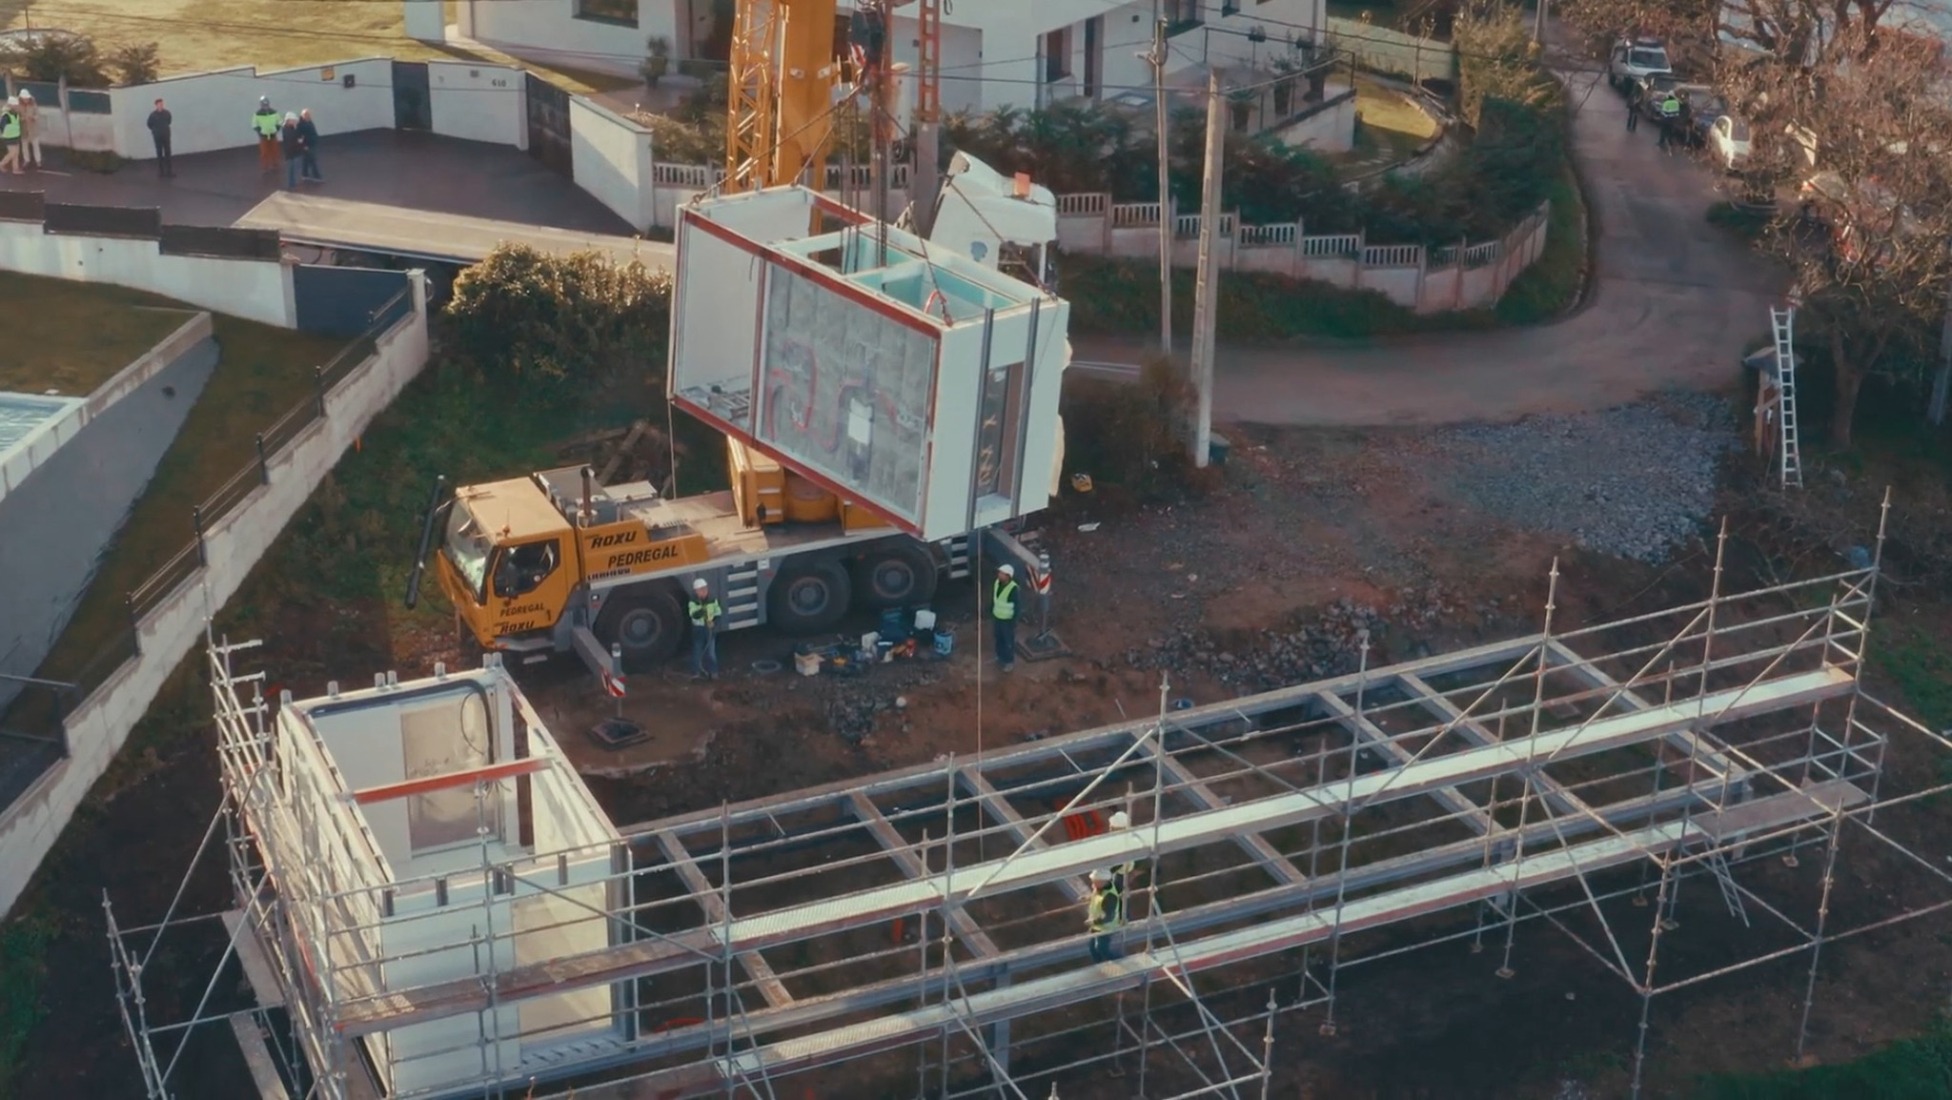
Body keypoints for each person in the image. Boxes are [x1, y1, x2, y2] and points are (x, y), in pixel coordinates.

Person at [1086, 868, 1124, 963]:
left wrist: (1093, 921)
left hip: (1105, 927)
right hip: (1096, 925)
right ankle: (1098, 965)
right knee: (1092, 948)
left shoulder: (1110, 896)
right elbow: (1097, 897)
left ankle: (1119, 962)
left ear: (1103, 881)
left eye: (1095, 881)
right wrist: (1088, 898)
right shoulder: (1099, 888)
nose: (1093, 883)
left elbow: (1108, 917)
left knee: (1101, 949)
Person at [688, 577, 722, 679]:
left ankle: (713, 672)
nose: (703, 592)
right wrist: (702, 610)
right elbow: (693, 614)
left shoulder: (713, 600)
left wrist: (713, 622)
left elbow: (718, 612)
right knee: (697, 651)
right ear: (696, 592)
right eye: (700, 590)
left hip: (710, 629)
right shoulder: (693, 602)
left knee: (711, 652)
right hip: (698, 629)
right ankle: (696, 673)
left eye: (704, 589)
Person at [991, 563, 1021, 672]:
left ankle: (1009, 662)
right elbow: (995, 599)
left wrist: (1014, 621)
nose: (999, 575)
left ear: (1008, 576)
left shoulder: (1013, 589)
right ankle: (1000, 657)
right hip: (998, 618)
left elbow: (1017, 607)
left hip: (1007, 621)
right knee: (998, 638)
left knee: (1008, 641)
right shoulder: (997, 583)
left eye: (1001, 573)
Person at [252, 96, 281, 172]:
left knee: (275, 150)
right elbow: (254, 124)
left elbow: (279, 122)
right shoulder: (257, 114)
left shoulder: (274, 112)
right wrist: (260, 131)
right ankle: (265, 167)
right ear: (261, 105)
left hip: (273, 135)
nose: (265, 106)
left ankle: (276, 164)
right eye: (263, 104)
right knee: (264, 152)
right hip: (263, 136)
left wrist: (276, 129)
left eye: (266, 104)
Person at [148, 98, 174, 178]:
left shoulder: (167, 113)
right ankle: (161, 172)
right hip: (157, 136)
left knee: (168, 153)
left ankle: (169, 171)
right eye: (159, 104)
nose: (161, 105)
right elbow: (149, 124)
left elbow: (169, 121)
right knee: (159, 153)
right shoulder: (153, 115)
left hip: (166, 135)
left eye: (162, 104)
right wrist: (156, 131)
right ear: (156, 105)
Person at [296, 108, 324, 183]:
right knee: (312, 160)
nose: (308, 116)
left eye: (308, 114)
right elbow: (299, 137)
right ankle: (317, 176)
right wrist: (304, 146)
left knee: (306, 160)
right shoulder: (300, 125)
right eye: (306, 114)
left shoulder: (309, 122)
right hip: (307, 145)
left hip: (312, 144)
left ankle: (305, 175)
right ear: (302, 115)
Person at [279, 112, 303, 189]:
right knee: (292, 169)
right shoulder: (287, 129)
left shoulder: (290, 128)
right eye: (293, 120)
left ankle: (293, 183)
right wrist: (299, 138)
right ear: (289, 120)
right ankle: (292, 184)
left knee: (293, 168)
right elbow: (292, 138)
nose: (295, 122)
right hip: (291, 152)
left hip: (293, 152)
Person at [16, 89, 39, 170]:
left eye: (27, 98)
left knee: (35, 145)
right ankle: (26, 160)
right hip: (24, 129)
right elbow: (16, 117)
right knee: (24, 146)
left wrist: (33, 118)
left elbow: (37, 115)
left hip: (33, 129)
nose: (26, 100)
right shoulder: (18, 106)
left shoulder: (33, 105)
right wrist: (22, 119)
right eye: (24, 98)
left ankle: (38, 160)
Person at [0, 100, 21, 176]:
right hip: (9, 137)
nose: (17, 107)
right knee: (12, 153)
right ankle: (1, 164)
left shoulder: (16, 114)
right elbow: (2, 125)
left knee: (16, 153)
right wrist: (4, 133)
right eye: (15, 105)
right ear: (11, 106)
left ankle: (16, 169)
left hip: (16, 136)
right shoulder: (6, 115)